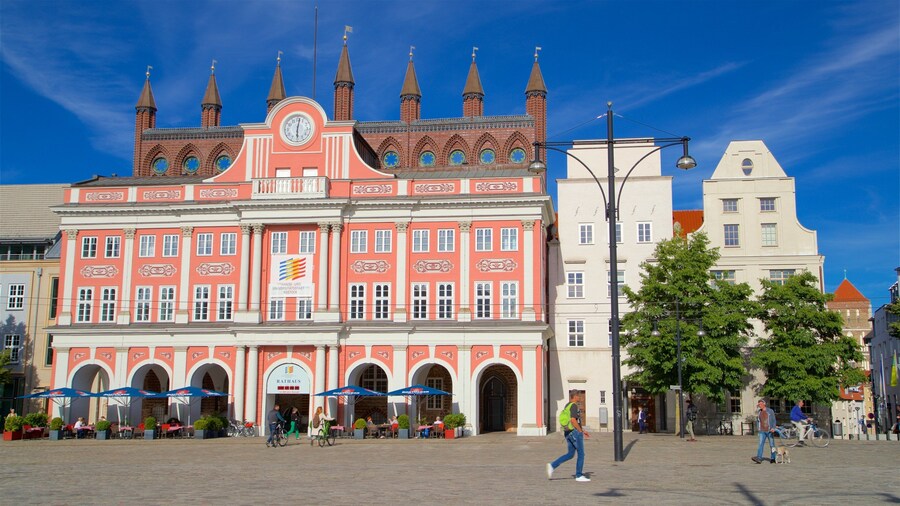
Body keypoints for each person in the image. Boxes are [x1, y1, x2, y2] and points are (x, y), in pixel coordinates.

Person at [547, 391, 591, 482]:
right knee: (581, 453)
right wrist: (579, 431)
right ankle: (578, 475)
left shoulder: (567, 405)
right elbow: (573, 420)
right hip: (574, 432)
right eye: (578, 396)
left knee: (570, 454)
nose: (579, 398)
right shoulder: (574, 406)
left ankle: (552, 466)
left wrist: (583, 431)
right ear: (574, 396)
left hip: (568, 432)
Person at [752, 399, 777, 464]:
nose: (759, 405)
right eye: (758, 404)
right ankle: (759, 458)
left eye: (760, 404)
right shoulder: (759, 412)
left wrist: (773, 428)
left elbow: (774, 420)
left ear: (764, 404)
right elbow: (758, 421)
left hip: (769, 430)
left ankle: (773, 458)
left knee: (772, 445)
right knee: (760, 444)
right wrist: (758, 428)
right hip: (762, 431)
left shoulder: (770, 411)